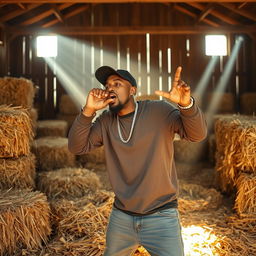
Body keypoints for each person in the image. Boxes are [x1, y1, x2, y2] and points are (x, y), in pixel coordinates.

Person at [68, 65, 207, 256]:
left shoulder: (159, 111)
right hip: (122, 217)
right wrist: (88, 110)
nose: (110, 88)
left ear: (132, 90)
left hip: (162, 217)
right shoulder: (105, 121)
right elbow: (76, 147)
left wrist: (186, 105)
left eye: (117, 83)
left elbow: (197, 135)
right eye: (107, 85)